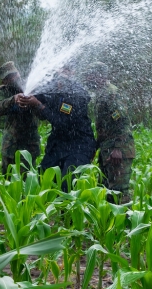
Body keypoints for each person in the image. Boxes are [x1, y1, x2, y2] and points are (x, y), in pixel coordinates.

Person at [16, 66, 96, 190]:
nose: (60, 76)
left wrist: (37, 105)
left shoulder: (76, 93)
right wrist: (24, 98)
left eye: (65, 70)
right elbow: (38, 99)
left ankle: (67, 209)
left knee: (68, 182)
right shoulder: (51, 88)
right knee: (43, 177)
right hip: (58, 143)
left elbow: (62, 122)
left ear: (71, 72)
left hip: (79, 144)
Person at [84, 63, 136, 203]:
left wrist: (117, 147)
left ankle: (126, 223)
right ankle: (111, 222)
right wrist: (96, 147)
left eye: (91, 75)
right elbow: (104, 127)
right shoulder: (101, 94)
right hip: (107, 149)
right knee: (107, 189)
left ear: (100, 76)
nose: (88, 78)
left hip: (118, 150)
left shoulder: (111, 94)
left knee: (119, 191)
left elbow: (122, 121)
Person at [0, 61, 40, 174]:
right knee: (7, 175)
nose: (13, 79)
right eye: (9, 77)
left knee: (27, 177)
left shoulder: (30, 86)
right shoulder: (3, 91)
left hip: (29, 143)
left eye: (14, 75)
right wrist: (13, 100)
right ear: (4, 81)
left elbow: (43, 109)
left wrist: (34, 102)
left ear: (18, 74)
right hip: (10, 143)